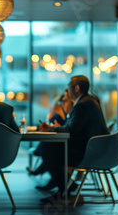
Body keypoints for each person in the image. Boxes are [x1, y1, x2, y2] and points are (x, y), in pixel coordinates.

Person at [38, 75, 109, 204]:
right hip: (95, 149)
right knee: (49, 148)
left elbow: (70, 130)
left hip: (88, 153)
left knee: (47, 149)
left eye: (69, 86)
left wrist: (50, 128)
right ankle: (65, 189)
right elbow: (74, 129)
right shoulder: (89, 101)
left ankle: (65, 191)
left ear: (76, 88)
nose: (67, 89)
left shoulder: (82, 105)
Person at [28, 89, 73, 181]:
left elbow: (69, 130)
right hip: (67, 145)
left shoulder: (66, 115)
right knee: (47, 147)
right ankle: (57, 181)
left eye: (63, 101)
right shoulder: (68, 116)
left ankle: (61, 183)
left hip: (71, 149)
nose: (62, 104)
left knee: (47, 148)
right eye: (61, 101)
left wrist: (55, 126)